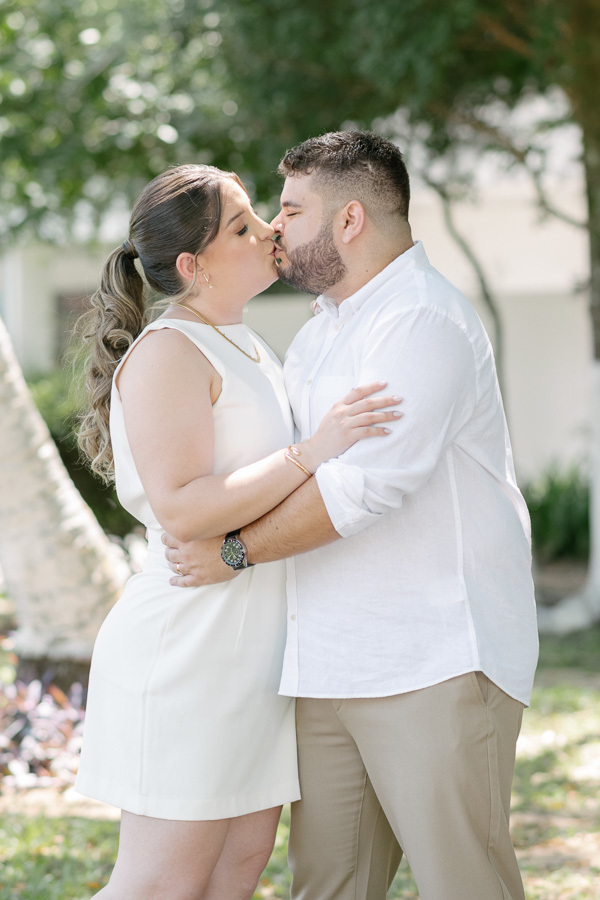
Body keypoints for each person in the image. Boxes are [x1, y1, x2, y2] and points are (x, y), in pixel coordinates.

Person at [163, 132, 540, 900]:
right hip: (327, 662)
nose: (273, 228)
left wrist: (233, 552)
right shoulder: (317, 334)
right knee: (328, 886)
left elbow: (361, 491)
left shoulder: (421, 322)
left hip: (434, 661)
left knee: (463, 884)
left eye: (292, 210)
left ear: (350, 221)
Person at [73, 162, 402, 900]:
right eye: (243, 226)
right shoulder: (168, 352)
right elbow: (184, 508)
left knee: (238, 867)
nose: (270, 232)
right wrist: (309, 451)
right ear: (193, 265)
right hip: (187, 649)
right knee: (164, 882)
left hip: (253, 653)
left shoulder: (249, 345)